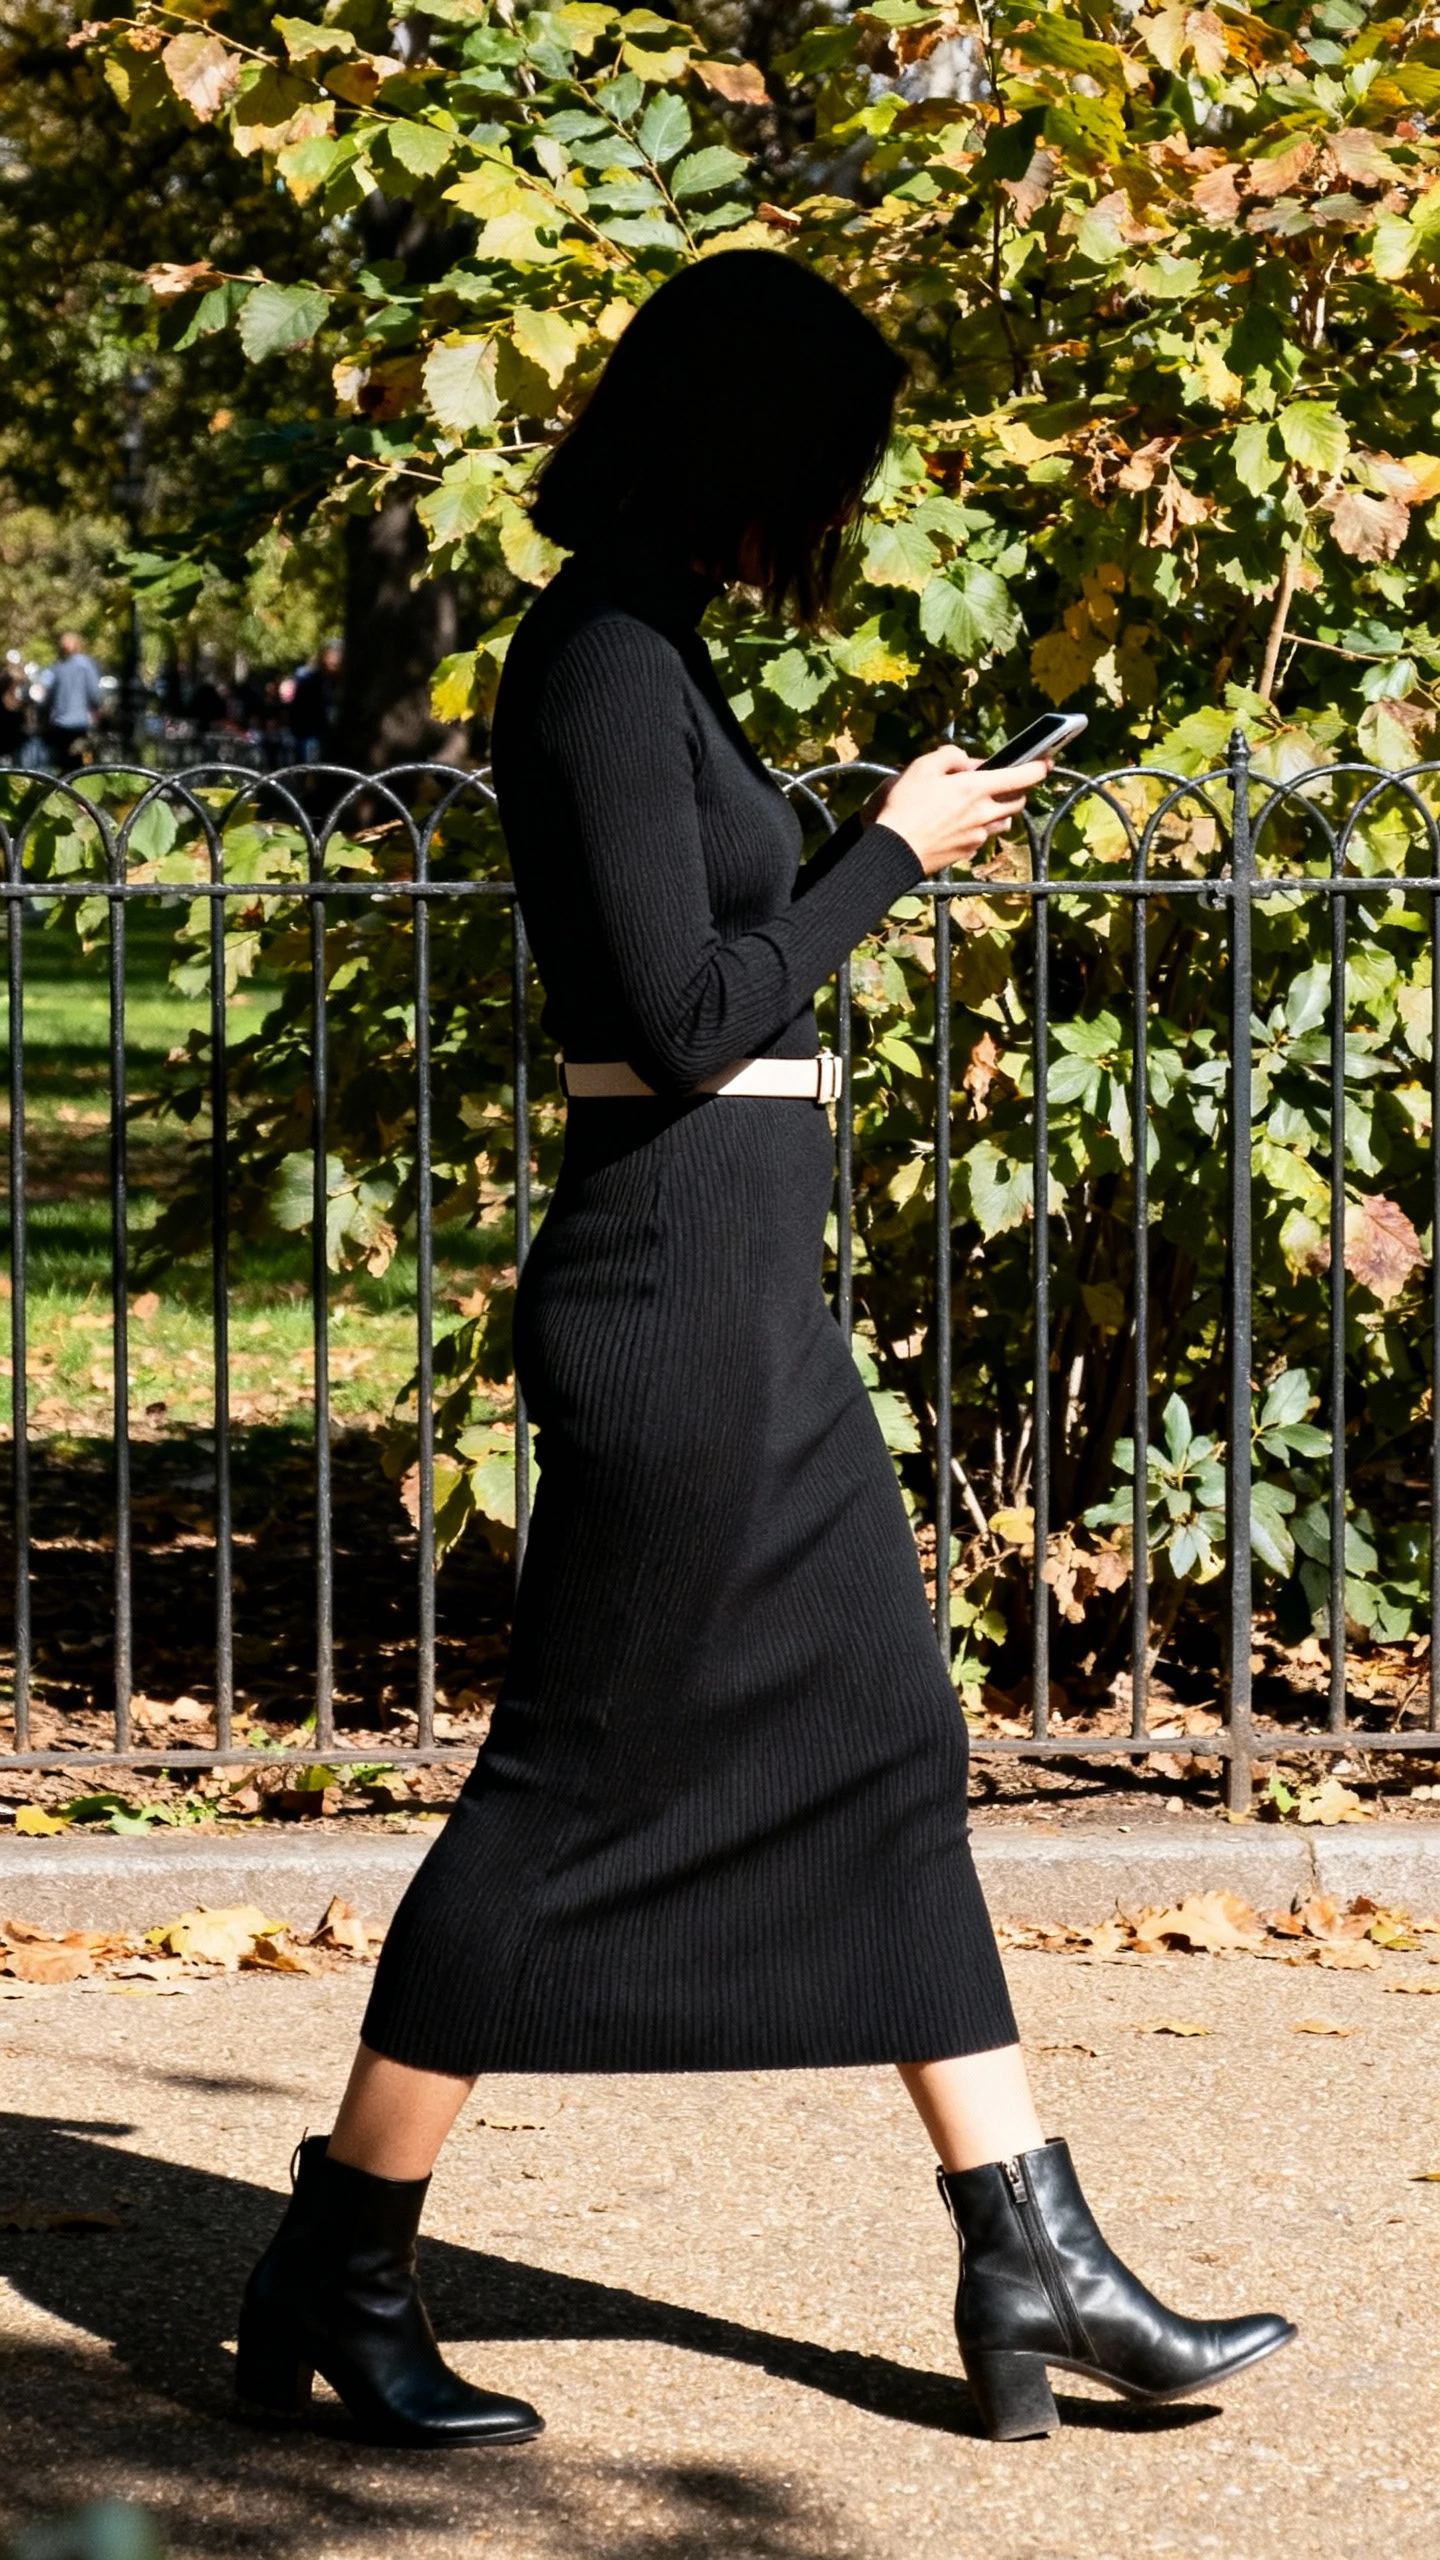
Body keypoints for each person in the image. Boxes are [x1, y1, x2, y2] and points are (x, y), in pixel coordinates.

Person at [239, 251, 1295, 2450]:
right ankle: (335, 2265)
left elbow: (709, 952)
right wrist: (892, 852)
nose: (835, 516)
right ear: (751, 456)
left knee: (899, 1750)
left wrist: (858, 847)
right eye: (827, 473)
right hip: (673, 1314)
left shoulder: (657, 654)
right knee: (553, 1798)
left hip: (737, 1305)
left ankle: (1034, 2250)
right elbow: (683, 1016)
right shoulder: (606, 662)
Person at [38, 631, 101, 767]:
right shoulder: (86, 665)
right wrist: (96, 709)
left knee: (63, 763)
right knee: (84, 761)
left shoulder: (57, 668)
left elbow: (47, 696)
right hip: (80, 723)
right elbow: (94, 693)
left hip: (60, 723)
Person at [289, 636, 342, 762]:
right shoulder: (309, 680)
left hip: (334, 737)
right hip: (311, 735)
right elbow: (298, 709)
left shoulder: (342, 682)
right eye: (332, 655)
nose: (335, 660)